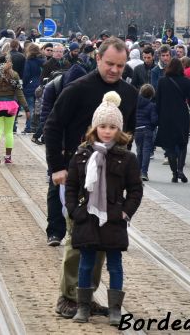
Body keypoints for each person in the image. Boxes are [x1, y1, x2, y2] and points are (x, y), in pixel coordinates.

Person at [44, 37, 137, 320]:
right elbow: (52, 126)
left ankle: (86, 294)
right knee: (78, 238)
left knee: (102, 241)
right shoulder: (78, 89)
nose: (114, 70)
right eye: (109, 64)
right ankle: (68, 296)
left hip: (110, 182)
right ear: (98, 59)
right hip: (76, 174)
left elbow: (127, 137)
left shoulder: (129, 95)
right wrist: (56, 168)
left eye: (120, 66)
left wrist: (124, 173)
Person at [65, 92, 143, 326]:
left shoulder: (127, 158)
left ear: (119, 130)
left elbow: (135, 189)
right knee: (86, 262)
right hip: (87, 216)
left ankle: (115, 310)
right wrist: (75, 212)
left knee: (115, 265)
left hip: (113, 219)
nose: (107, 131)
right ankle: (83, 307)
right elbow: (71, 186)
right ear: (95, 127)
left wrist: (125, 212)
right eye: (103, 126)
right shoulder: (82, 155)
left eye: (112, 127)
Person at [154, 58, 190, 183]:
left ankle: (174, 173)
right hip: (181, 115)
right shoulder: (186, 81)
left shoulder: (162, 81)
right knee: (182, 143)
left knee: (170, 146)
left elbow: (158, 100)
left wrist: (157, 118)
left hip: (165, 116)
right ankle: (180, 170)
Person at [0, 56, 27, 165]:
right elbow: (19, 92)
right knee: (8, 132)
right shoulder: (14, 74)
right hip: (10, 105)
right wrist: (26, 107)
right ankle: (8, 157)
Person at [133, 84, 157, 181]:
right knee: (146, 151)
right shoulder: (152, 106)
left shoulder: (135, 103)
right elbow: (154, 120)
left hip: (137, 129)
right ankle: (144, 172)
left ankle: (138, 172)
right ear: (151, 95)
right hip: (147, 129)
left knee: (139, 151)